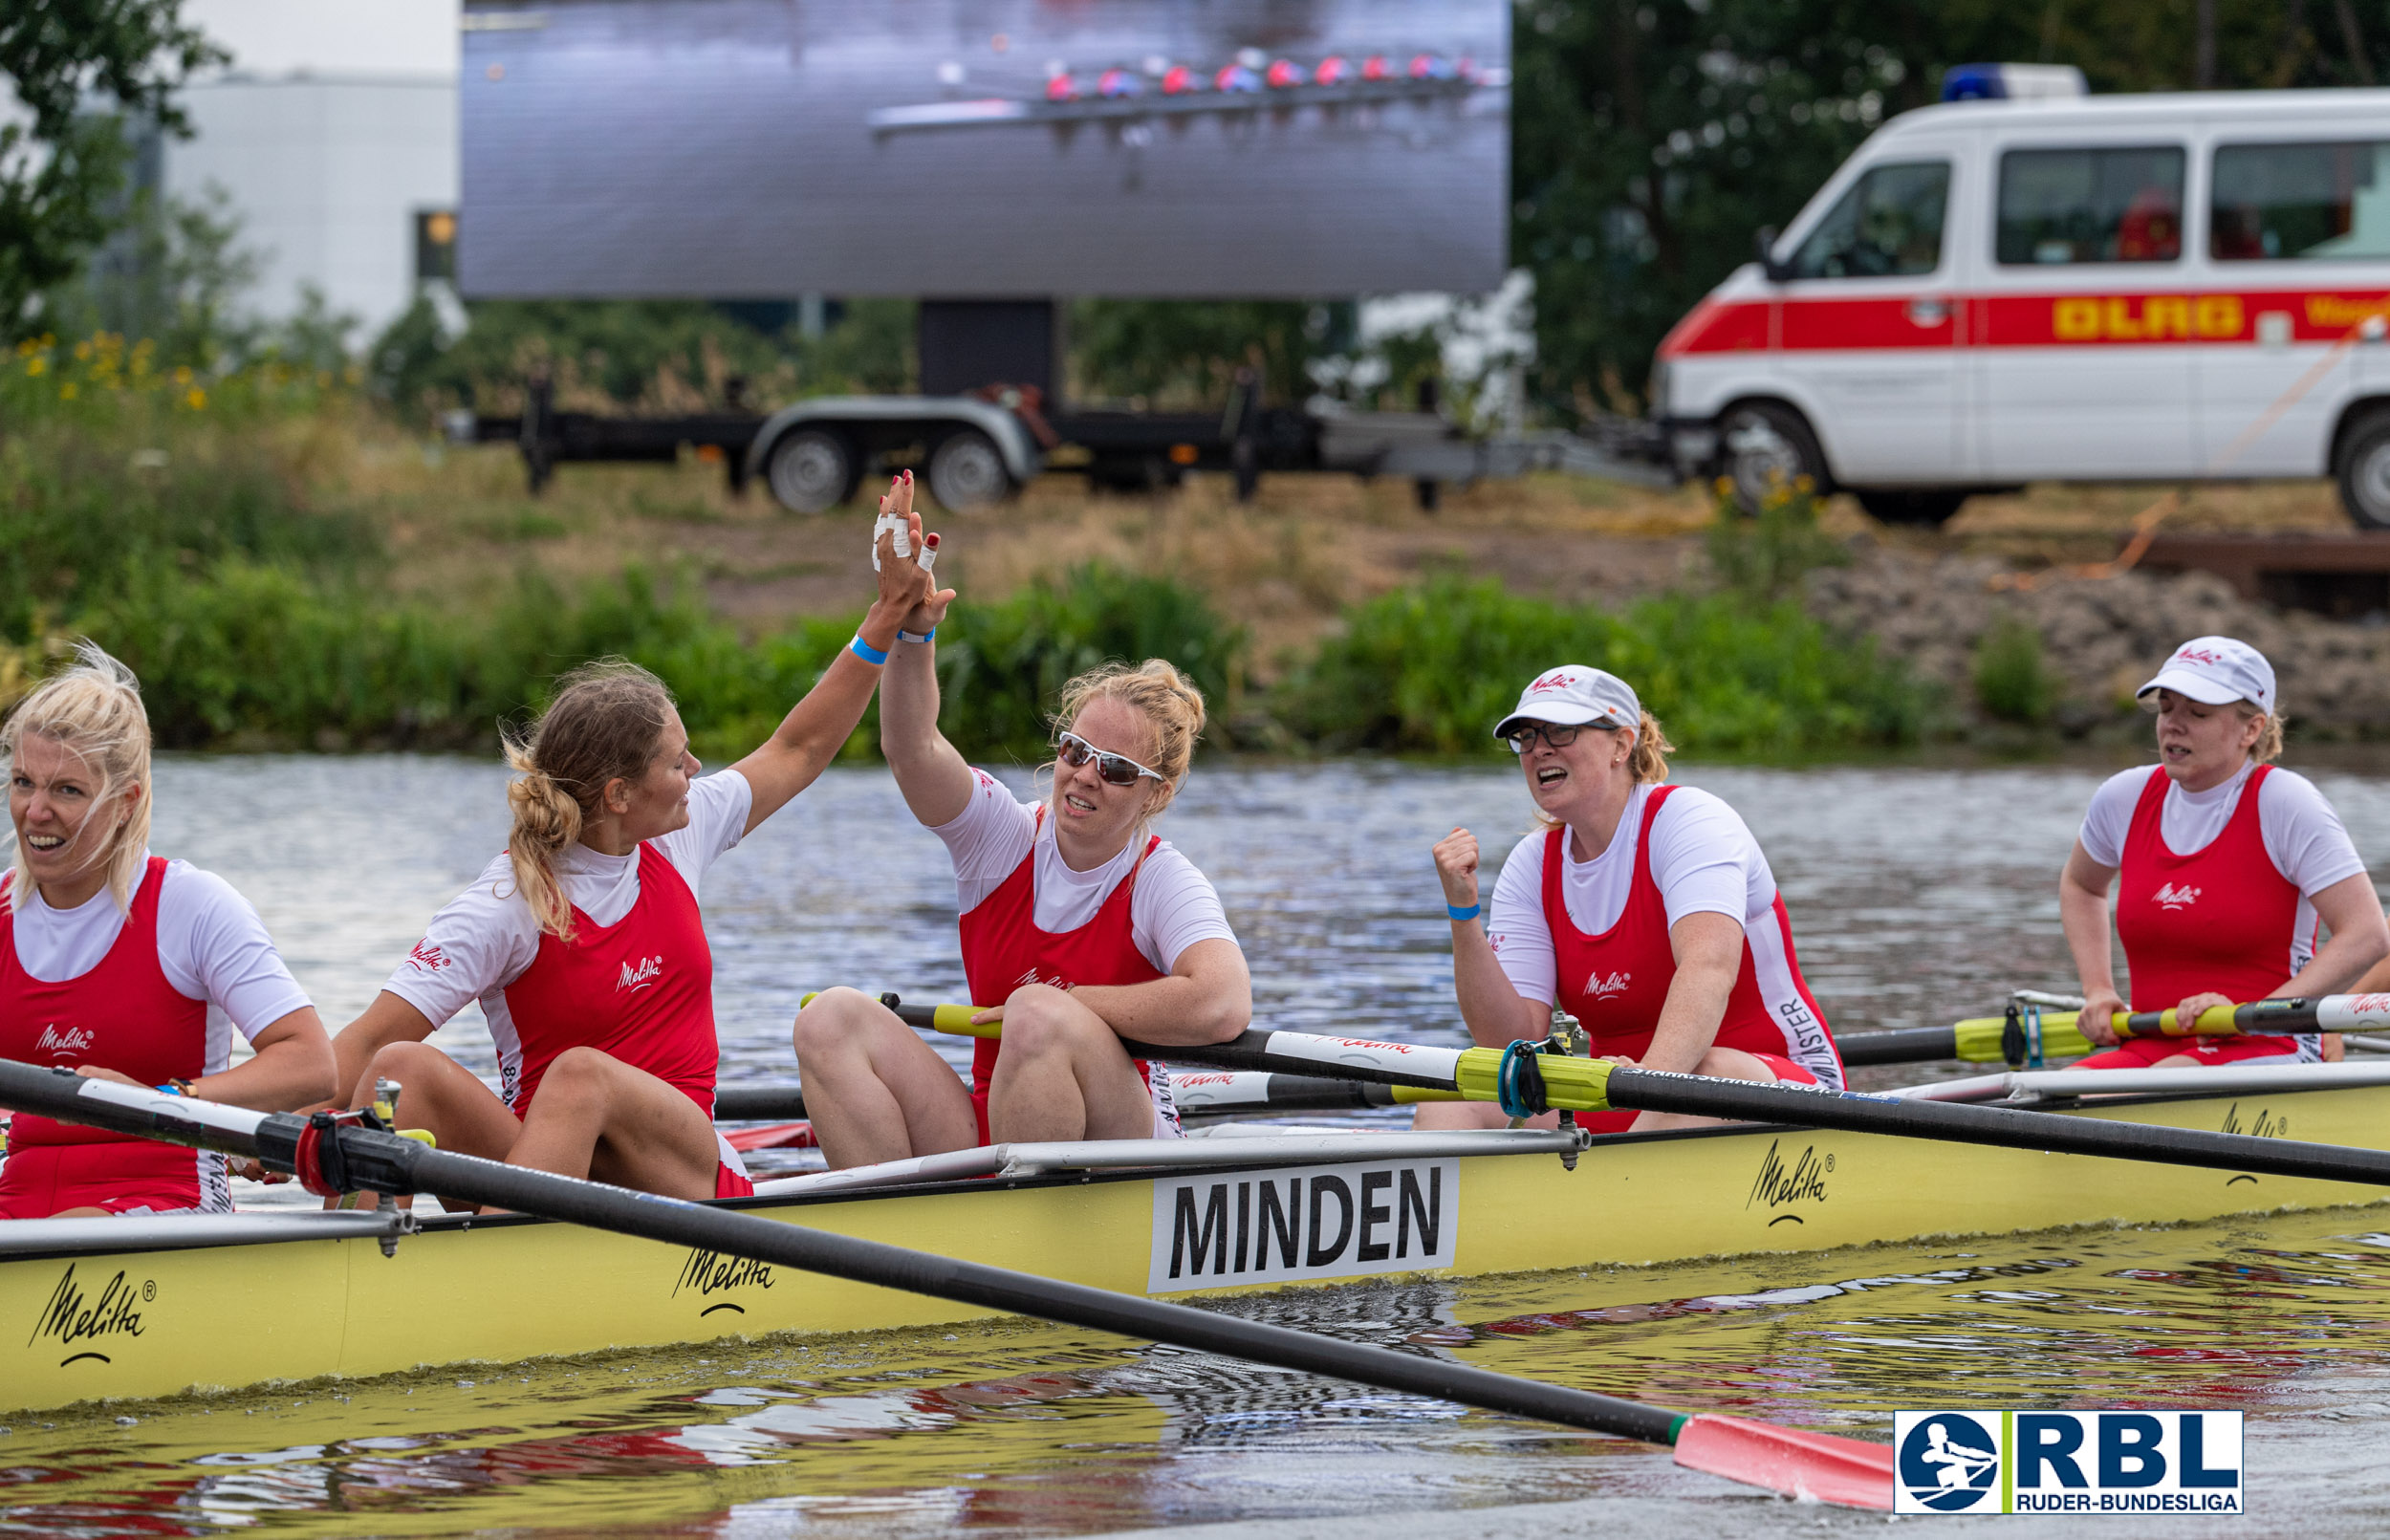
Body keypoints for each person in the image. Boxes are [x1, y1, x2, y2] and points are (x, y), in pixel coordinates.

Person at [326, 476, 938, 1202]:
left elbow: (798, 749)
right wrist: (278, 1124)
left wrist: (888, 614)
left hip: (687, 1179)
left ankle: (490, 1263)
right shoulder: (504, 902)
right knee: (400, 1068)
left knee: (580, 1076)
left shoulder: (680, 833)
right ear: (619, 796)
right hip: (551, 1169)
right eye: (677, 760)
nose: (696, 770)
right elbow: (359, 1046)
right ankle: (352, 1260)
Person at [793, 482, 1250, 1168]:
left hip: (1123, 1144)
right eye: (1076, 751)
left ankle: (1011, 1232)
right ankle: (887, 1234)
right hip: (990, 1125)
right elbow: (913, 749)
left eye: (1117, 769)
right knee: (827, 1017)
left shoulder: (1163, 881)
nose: (1087, 775)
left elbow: (1221, 1004)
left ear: (1155, 794)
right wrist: (912, 630)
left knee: (1036, 1011)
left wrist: (1064, 1002)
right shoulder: (1001, 839)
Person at [1421, 665, 1843, 1135]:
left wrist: (1642, 1106)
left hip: (1783, 1082)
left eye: (1561, 730)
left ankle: (1616, 1172)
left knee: (1706, 1074)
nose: (1539, 748)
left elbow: (1708, 970)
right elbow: (1511, 1044)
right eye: (1526, 735)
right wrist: (1464, 914)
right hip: (1627, 1089)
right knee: (1453, 1100)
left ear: (1621, 745)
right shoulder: (1532, 864)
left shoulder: (1689, 823)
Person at [1, 643, 334, 1219]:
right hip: (19, 1200)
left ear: (126, 802)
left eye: (67, 790)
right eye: (24, 782)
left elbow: (311, 1062)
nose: (35, 811)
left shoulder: (192, 907)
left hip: (164, 1191)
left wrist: (166, 1101)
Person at [2062, 637, 2388, 1068]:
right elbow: (2082, 885)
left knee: (2095, 1111)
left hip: (2269, 1044)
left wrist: (2251, 1018)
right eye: (2166, 708)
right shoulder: (2124, 796)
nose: (2172, 725)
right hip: (2152, 1044)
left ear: (2251, 729)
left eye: (2197, 713)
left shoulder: (2286, 803)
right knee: (2027, 1107)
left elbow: (2368, 934)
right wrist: (2099, 989)